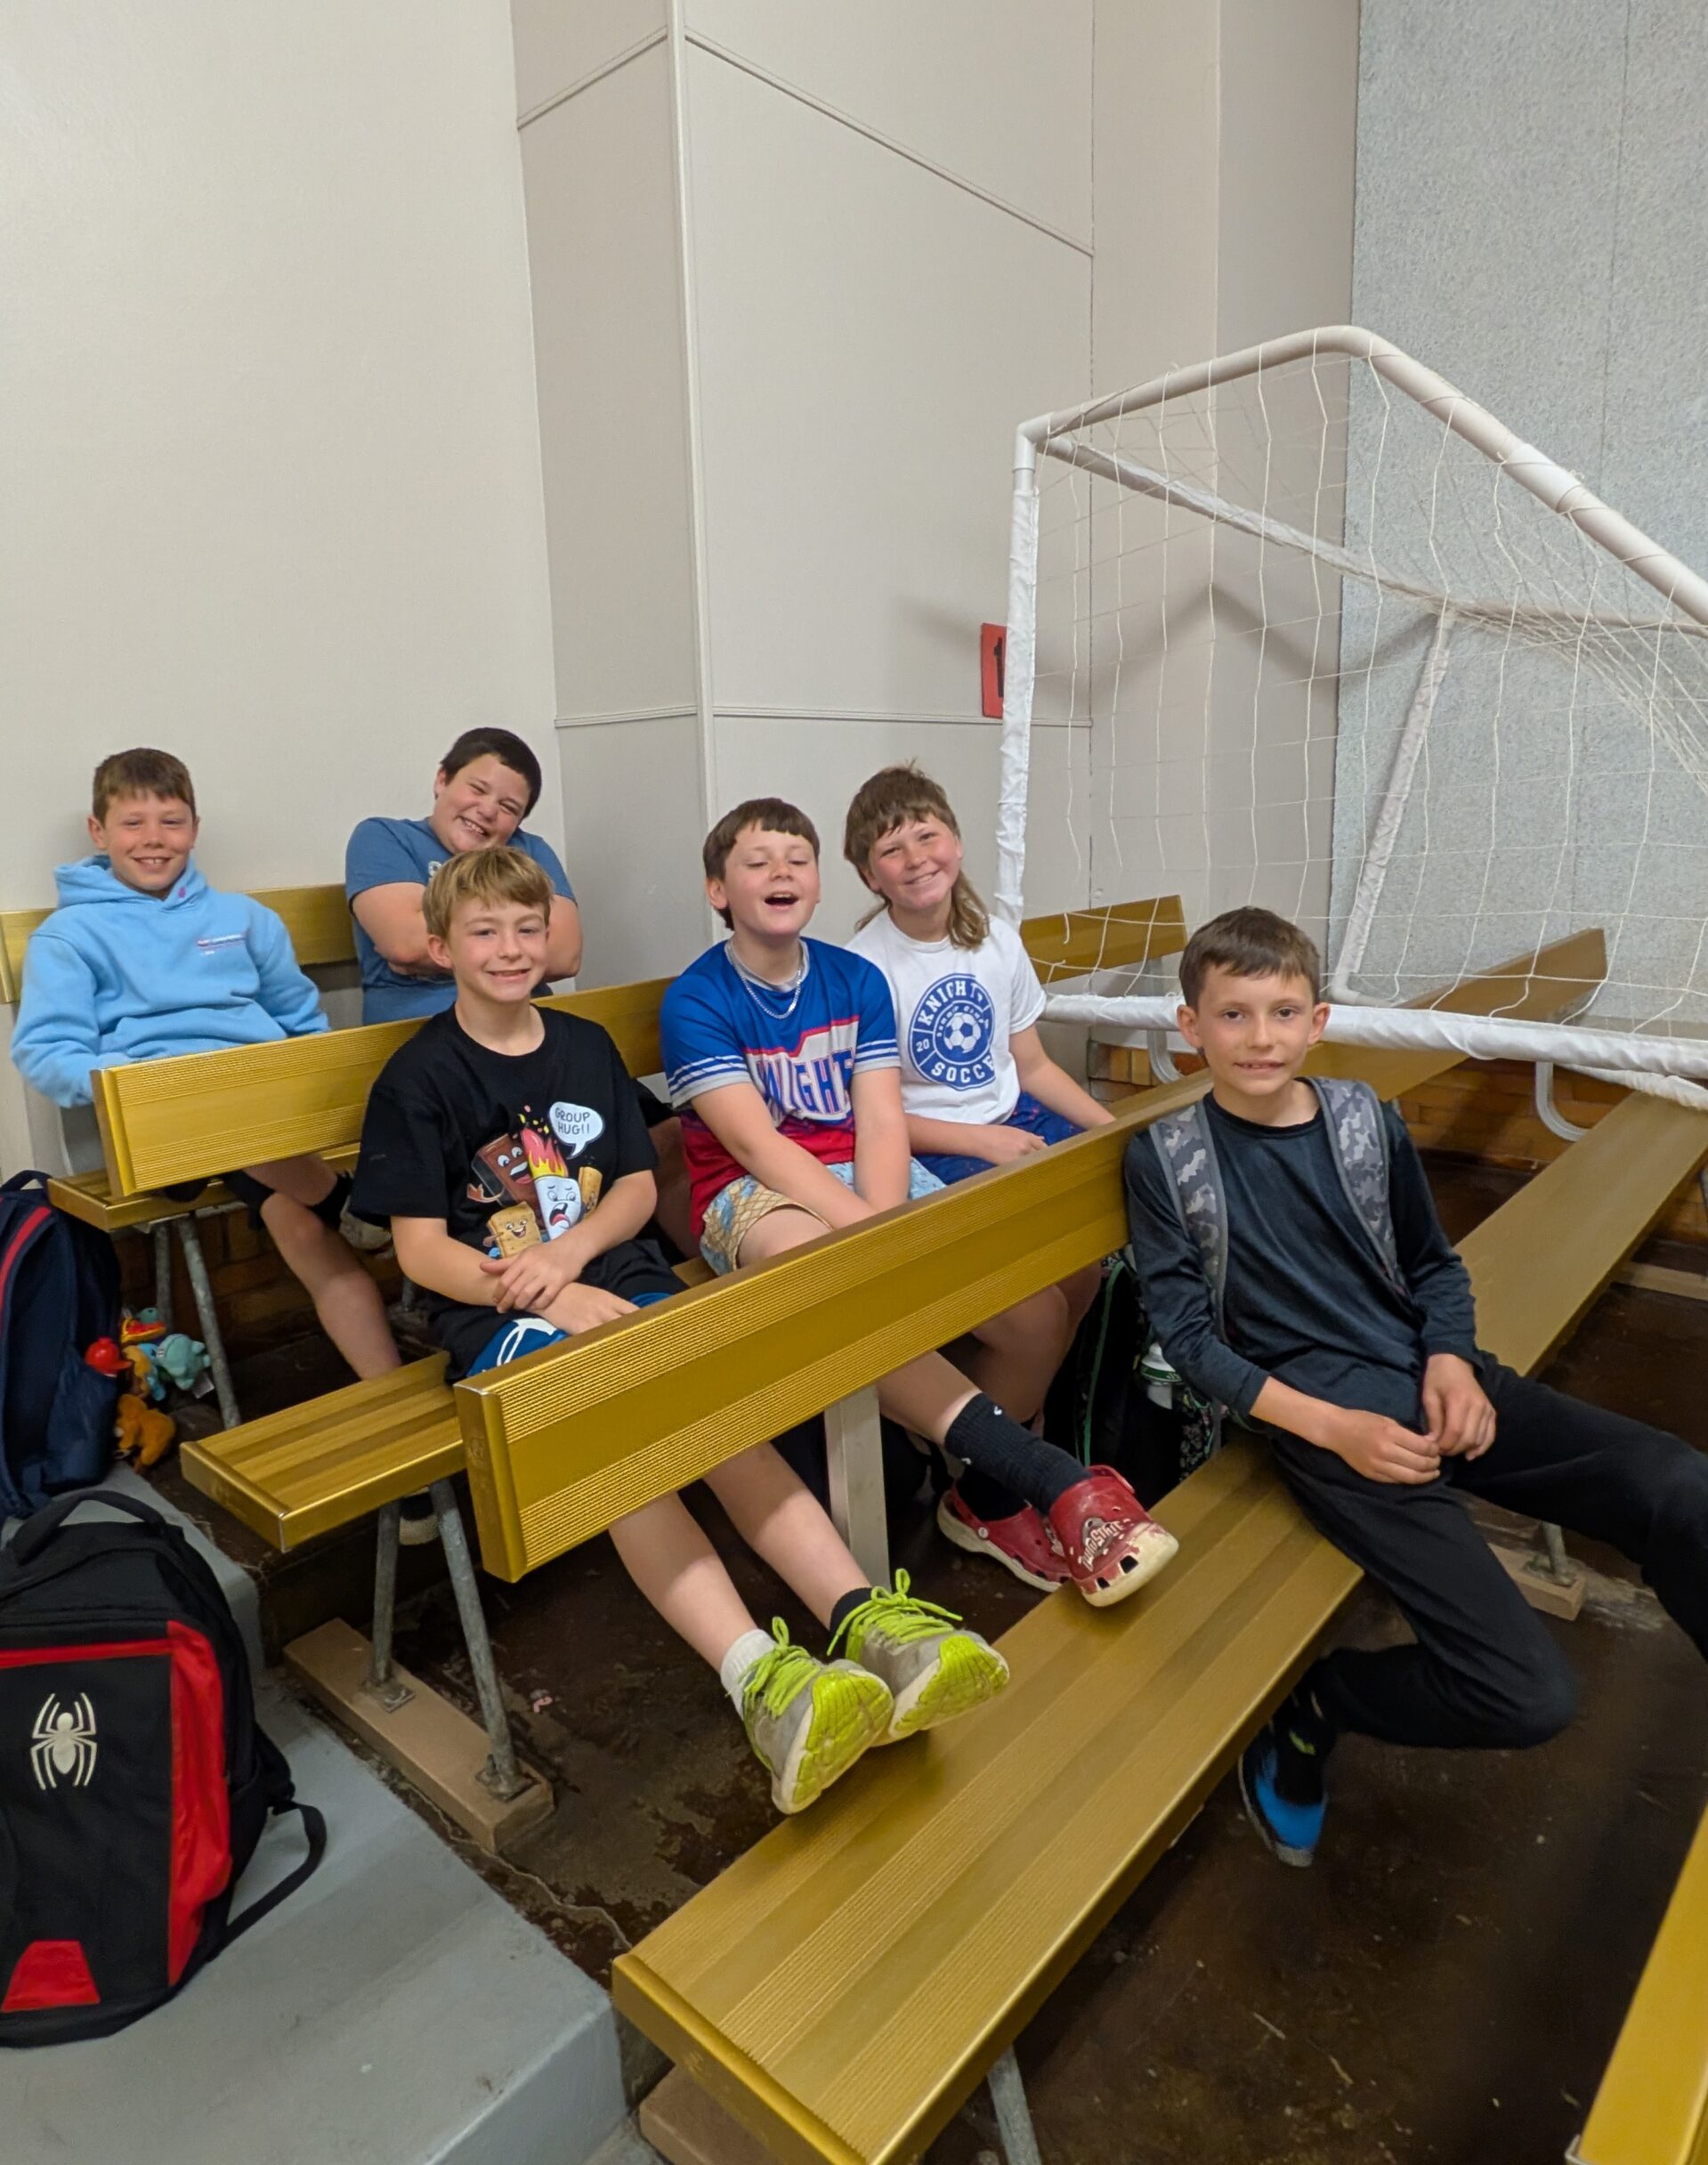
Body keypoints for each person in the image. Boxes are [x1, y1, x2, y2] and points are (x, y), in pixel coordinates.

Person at [351, 844, 1010, 1813]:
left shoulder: (583, 1047)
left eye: (529, 928)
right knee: (629, 1434)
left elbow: (628, 1187)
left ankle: (870, 1620)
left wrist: (575, 1258)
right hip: (501, 1313)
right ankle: (762, 1678)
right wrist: (546, 1294)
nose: (511, 948)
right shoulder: (418, 1078)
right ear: (443, 948)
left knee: (717, 1413)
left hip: (617, 1278)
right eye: (485, 932)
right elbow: (418, 1251)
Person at [1123, 904, 1708, 1868]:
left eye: (1283, 1012)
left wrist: (1450, 1360)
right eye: (1233, 1015)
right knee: (1529, 1696)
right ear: (1190, 1027)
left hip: (1443, 1388)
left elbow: (1434, 1266)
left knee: (1679, 1485)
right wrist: (1331, 1429)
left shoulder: (1363, 1118)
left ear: (1318, 1021)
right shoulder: (1166, 1158)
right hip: (1340, 1436)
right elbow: (1188, 1339)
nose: (1260, 1038)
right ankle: (1320, 1705)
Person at [658, 796, 1178, 1608]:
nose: (781, 873)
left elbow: (879, 1118)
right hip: (753, 1194)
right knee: (826, 1270)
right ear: (718, 891)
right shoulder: (696, 999)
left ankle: (979, 1493)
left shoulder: (853, 979)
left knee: (1037, 1315)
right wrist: (873, 1233)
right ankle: (1045, 1479)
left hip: (870, 1179)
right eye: (758, 863)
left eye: (798, 859)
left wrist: (885, 1215)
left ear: (821, 883)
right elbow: (757, 1146)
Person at [12, 748, 400, 1384]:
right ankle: (353, 1206)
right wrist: (137, 1083)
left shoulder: (243, 920)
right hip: (154, 1127)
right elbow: (47, 1053)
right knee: (256, 1143)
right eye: (133, 823)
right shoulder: (69, 936)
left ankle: (387, 1386)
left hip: (264, 1119)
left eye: (171, 821)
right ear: (98, 831)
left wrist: (304, 1085)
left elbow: (301, 1023)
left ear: (194, 828)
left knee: (300, 1227)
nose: (154, 839)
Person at [843, 763, 1113, 1589]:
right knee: (1036, 1305)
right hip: (933, 1146)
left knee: (1087, 1265)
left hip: (1013, 1120)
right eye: (891, 850)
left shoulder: (994, 934)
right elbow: (873, 1115)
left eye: (927, 836)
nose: (916, 858)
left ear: (956, 842)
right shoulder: (864, 966)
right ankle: (993, 1478)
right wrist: (982, 1142)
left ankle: (1006, 1431)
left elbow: (1032, 1066)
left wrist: (1110, 1130)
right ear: (868, 875)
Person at [345, 726, 691, 1254]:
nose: (488, 812)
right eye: (477, 789)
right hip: (444, 1062)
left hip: (542, 1052)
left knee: (670, 1133)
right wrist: (481, 949)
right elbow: (405, 942)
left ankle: (669, 1267)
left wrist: (467, 943)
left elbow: (566, 954)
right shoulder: (386, 838)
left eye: (509, 807)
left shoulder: (529, 851)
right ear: (442, 780)